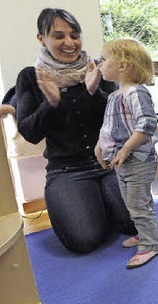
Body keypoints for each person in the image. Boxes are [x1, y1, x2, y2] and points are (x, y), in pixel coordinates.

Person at [15, 8, 136, 254]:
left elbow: (120, 120)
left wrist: (94, 93)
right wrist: (51, 103)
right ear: (42, 38)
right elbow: (30, 132)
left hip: (108, 163)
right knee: (84, 240)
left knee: (136, 222)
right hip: (67, 171)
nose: (69, 43)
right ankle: (94, 203)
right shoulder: (31, 76)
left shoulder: (97, 68)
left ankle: (103, 200)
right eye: (59, 36)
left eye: (75, 35)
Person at [95, 38, 158, 269]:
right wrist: (99, 146)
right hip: (123, 160)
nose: (99, 64)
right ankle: (144, 233)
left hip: (137, 160)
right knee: (131, 202)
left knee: (137, 203)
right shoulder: (115, 94)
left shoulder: (135, 92)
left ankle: (151, 243)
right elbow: (109, 126)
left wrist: (125, 148)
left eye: (103, 60)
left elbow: (147, 124)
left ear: (123, 65)